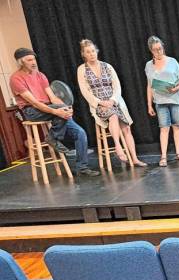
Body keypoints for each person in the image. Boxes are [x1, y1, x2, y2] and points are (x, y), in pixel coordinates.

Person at [9, 48, 100, 177]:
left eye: (34, 59)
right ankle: (52, 137)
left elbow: (53, 97)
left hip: (50, 108)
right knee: (59, 111)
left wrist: (66, 107)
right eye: (29, 60)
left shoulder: (41, 75)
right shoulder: (16, 78)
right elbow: (34, 103)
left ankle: (82, 167)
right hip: (31, 111)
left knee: (80, 133)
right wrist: (57, 111)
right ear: (20, 62)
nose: (33, 62)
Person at [77, 39, 147, 166]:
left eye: (93, 51)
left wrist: (113, 99)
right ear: (84, 54)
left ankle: (135, 159)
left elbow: (117, 86)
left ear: (96, 51)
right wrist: (100, 102)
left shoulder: (107, 66)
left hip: (114, 101)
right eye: (88, 52)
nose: (92, 54)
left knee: (126, 127)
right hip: (99, 104)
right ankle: (118, 146)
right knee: (113, 116)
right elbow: (85, 91)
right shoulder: (82, 69)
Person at [145, 36, 179, 167]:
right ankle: (163, 156)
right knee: (164, 127)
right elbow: (149, 85)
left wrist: (176, 87)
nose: (159, 51)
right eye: (155, 50)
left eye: (160, 48)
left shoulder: (173, 61)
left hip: (175, 98)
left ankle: (178, 153)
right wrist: (149, 104)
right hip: (160, 100)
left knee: (177, 126)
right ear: (151, 51)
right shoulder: (148, 65)